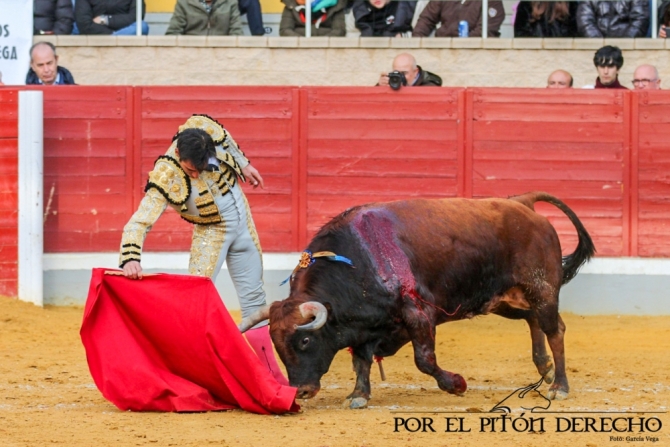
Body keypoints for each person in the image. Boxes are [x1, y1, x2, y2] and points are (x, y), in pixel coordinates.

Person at [119, 115, 288, 386]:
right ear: (177, 153)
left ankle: (272, 376)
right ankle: (193, 373)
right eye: (190, 170)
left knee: (255, 302)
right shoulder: (166, 173)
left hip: (244, 225)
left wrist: (244, 164)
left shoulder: (204, 128)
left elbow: (227, 138)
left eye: (201, 168)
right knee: (194, 304)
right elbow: (139, 221)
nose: (196, 174)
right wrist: (130, 257)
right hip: (212, 234)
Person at [412, 0, 505, 37]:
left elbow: (486, 31)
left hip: (473, 53)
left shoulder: (492, 1)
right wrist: (417, 42)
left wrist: (459, 44)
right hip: (441, 49)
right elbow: (426, 20)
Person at [166, 0, 243, 35]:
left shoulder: (230, 2)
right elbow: (173, 32)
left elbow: (237, 32)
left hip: (221, 54)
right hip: (191, 54)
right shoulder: (183, 2)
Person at [576, 0, 649, 37]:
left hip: (627, 47)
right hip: (597, 48)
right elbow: (585, 22)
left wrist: (625, 43)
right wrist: (599, 43)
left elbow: (640, 21)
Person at [74, 0, 149, 35]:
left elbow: (135, 17)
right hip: (95, 30)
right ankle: (114, 37)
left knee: (142, 26)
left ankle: (114, 36)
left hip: (124, 30)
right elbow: (84, 22)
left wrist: (106, 20)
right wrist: (109, 33)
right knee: (76, 26)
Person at [279, 0, 347, 36]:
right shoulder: (291, 5)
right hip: (299, 51)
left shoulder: (335, 5)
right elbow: (285, 30)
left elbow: (339, 31)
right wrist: (304, 43)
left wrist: (319, 44)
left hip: (327, 51)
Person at [514, 1, 578, 37]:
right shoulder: (526, 5)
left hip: (563, 57)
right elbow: (520, 36)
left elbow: (576, 35)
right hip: (535, 56)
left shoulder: (571, 5)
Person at [377, 53, 442, 87]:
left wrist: (403, 90)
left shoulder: (429, 85)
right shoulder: (393, 81)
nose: (400, 77)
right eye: (397, 73)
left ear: (416, 72)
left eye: (404, 73)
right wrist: (380, 86)